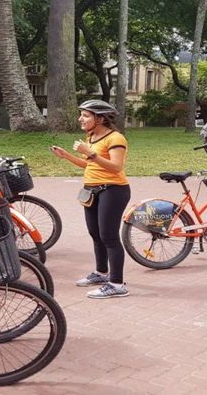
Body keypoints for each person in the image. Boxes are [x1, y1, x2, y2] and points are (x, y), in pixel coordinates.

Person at [50, 100, 131, 299]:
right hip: (92, 190)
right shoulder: (92, 136)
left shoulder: (115, 138)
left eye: (85, 115)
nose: (81, 119)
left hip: (113, 190)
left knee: (109, 236)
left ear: (100, 118)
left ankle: (117, 283)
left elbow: (115, 167)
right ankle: (101, 273)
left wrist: (90, 153)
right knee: (95, 233)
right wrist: (67, 156)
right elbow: (90, 166)